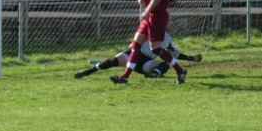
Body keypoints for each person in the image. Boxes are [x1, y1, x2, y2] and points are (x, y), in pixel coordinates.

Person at [110, 0, 188, 84]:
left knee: (156, 48)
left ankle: (180, 71)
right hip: (151, 16)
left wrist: (147, 10)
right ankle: (124, 77)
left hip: (156, 16)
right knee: (136, 45)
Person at [74, 32, 202, 79]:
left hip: (146, 62)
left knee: (164, 64)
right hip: (134, 54)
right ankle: (87, 72)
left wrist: (191, 58)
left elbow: (175, 53)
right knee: (114, 60)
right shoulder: (147, 28)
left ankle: (154, 74)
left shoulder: (167, 38)